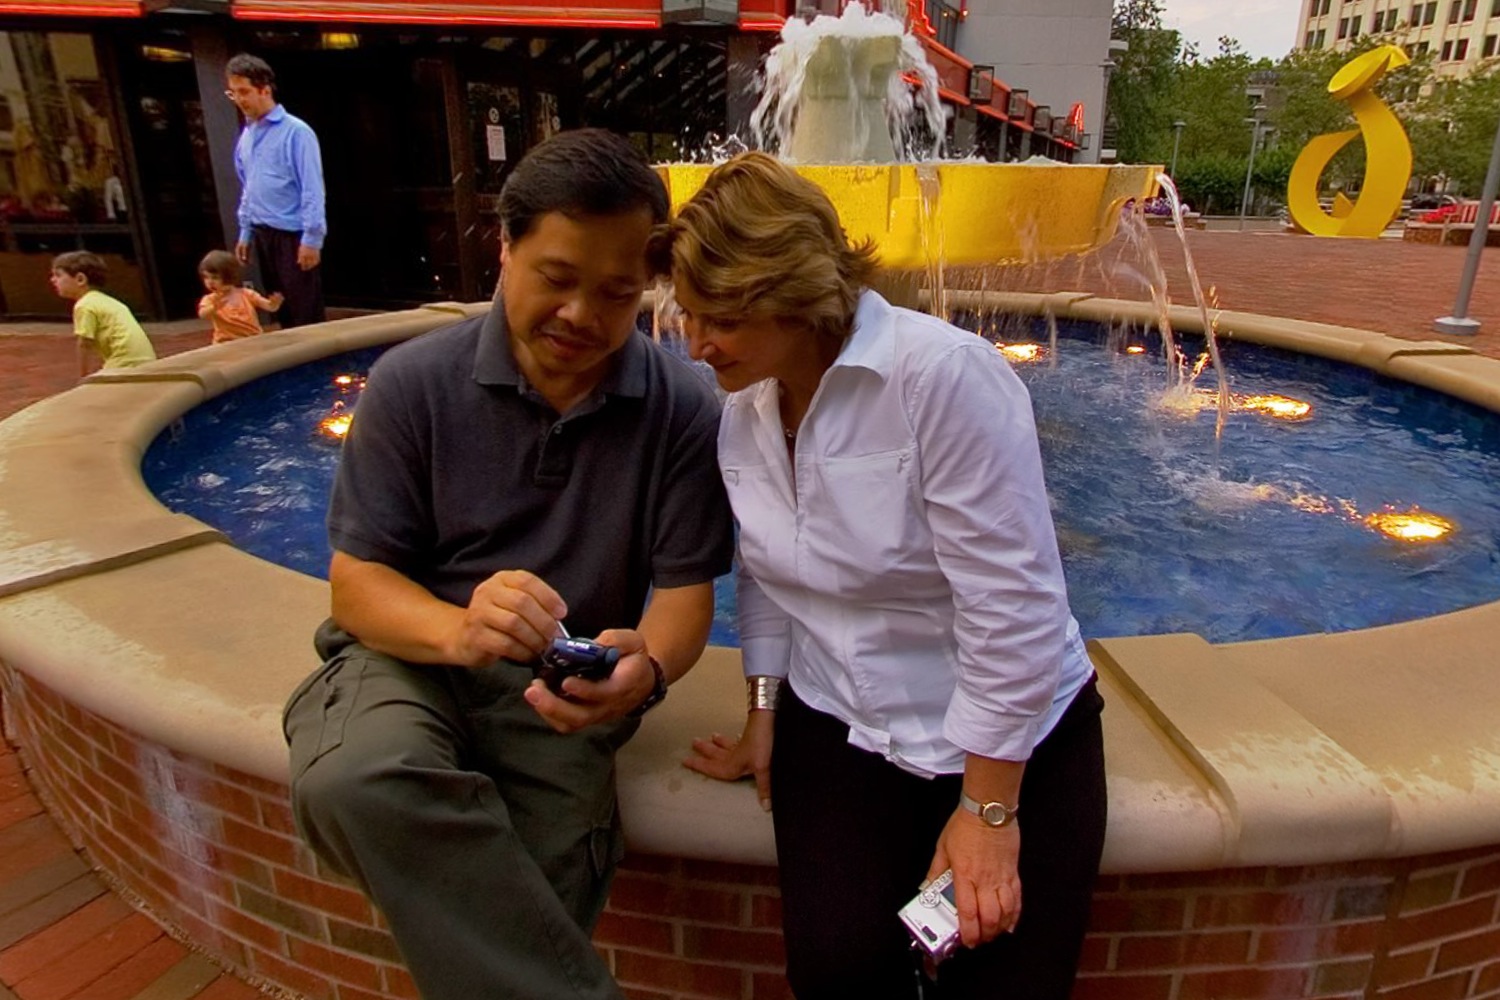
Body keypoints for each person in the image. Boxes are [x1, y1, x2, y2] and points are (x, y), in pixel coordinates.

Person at [281, 128, 734, 1000]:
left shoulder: (681, 409)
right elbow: (358, 584)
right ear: (504, 247)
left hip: (561, 694)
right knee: (357, 774)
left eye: (615, 293)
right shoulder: (414, 384)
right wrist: (459, 628)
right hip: (407, 659)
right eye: (557, 279)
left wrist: (646, 669)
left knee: (548, 873)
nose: (582, 317)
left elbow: (682, 595)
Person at [671, 152, 1107, 1000]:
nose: (695, 343)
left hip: (1011, 747)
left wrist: (989, 811)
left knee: (1004, 983)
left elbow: (1011, 607)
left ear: (791, 293)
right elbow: (763, 574)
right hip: (839, 726)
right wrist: (765, 708)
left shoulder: (943, 376)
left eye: (717, 316)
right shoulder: (745, 414)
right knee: (834, 973)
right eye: (687, 313)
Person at [226, 53, 326, 329]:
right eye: (233, 93)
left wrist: (312, 238)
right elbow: (249, 187)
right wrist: (245, 231)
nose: (239, 99)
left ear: (265, 89)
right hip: (263, 232)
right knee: (283, 311)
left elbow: (312, 188)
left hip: (292, 234)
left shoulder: (296, 132)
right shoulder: (246, 137)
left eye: (244, 91)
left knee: (306, 313)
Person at [49, 251, 156, 377]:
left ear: (80, 279)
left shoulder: (84, 305)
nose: (52, 280)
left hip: (125, 363)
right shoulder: (107, 300)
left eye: (58, 275)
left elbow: (84, 344)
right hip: (146, 360)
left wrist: (83, 377)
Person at [197, 249, 283, 343]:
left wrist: (274, 303)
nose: (210, 282)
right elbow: (203, 314)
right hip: (226, 343)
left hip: (253, 340)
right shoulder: (210, 299)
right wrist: (213, 307)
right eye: (206, 277)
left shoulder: (246, 294)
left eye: (215, 278)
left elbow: (270, 307)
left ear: (228, 276)